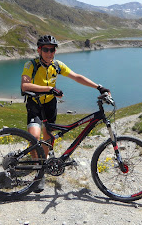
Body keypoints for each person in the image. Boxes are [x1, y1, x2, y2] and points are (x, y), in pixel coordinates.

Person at [20, 35, 110, 192]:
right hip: (35, 104)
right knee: (34, 137)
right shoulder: (31, 65)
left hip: (49, 105)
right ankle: (37, 167)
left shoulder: (57, 65)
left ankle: (40, 171)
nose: (49, 53)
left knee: (48, 139)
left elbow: (76, 77)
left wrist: (98, 87)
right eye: (46, 50)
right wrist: (49, 89)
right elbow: (25, 86)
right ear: (39, 50)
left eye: (52, 50)